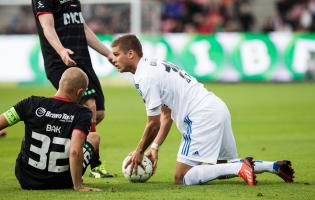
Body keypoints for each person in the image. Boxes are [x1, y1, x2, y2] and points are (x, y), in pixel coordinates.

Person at [111, 34, 295, 186]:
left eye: (116, 54)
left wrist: (139, 151)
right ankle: (274, 166)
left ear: (130, 54)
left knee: (181, 176)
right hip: (216, 107)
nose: (113, 59)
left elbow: (153, 122)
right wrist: (155, 147)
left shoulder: (144, 77)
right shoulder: (154, 64)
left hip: (200, 115)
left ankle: (240, 168)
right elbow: (166, 115)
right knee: (221, 167)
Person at [31, 0, 114, 178]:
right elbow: (48, 27)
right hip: (60, 61)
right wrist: (61, 51)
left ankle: (55, 140)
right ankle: (95, 164)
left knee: (98, 112)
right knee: (89, 106)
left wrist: (107, 53)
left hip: (83, 60)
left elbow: (83, 28)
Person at [0, 67, 101, 191]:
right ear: (80, 92)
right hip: (62, 181)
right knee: (94, 137)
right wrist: (78, 186)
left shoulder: (30, 103)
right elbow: (75, 151)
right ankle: (94, 168)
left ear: (60, 83)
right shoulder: (82, 113)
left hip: (26, 180)